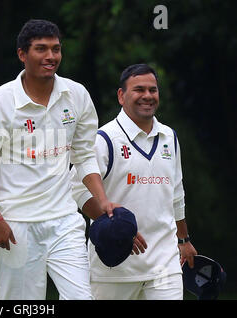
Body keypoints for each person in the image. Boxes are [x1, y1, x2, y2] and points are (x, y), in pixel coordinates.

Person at [0, 19, 115, 300]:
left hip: (64, 221)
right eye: (41, 49)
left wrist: (102, 200)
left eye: (56, 49)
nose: (51, 56)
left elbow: (83, 155)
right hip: (16, 226)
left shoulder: (76, 95)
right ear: (22, 54)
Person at [71, 63, 198, 300]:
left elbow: (176, 193)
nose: (147, 96)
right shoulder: (104, 139)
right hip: (114, 267)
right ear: (121, 95)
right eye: (139, 89)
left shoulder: (170, 136)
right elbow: (77, 189)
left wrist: (183, 239)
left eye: (153, 90)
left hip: (164, 264)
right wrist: (116, 229)